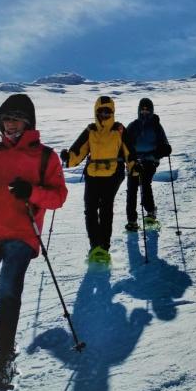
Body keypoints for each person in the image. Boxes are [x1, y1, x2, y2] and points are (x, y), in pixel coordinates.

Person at [0, 93, 67, 389]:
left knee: (7, 294)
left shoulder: (45, 156)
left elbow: (58, 196)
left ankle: (4, 358)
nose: (10, 124)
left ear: (28, 122)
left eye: (16, 118)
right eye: (6, 119)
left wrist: (30, 192)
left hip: (21, 234)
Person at [61, 95, 131, 264]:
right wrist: (69, 158)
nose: (105, 114)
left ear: (113, 112)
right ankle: (95, 246)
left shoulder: (119, 129)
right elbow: (79, 149)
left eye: (108, 111)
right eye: (101, 111)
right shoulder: (90, 130)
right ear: (96, 112)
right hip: (93, 175)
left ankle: (104, 247)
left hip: (113, 175)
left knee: (105, 208)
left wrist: (134, 166)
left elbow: (130, 150)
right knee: (90, 209)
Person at [123, 97, 172, 232]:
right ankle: (131, 220)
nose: (145, 112)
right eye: (142, 109)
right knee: (132, 188)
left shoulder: (156, 126)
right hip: (134, 160)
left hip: (150, 160)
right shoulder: (133, 126)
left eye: (147, 109)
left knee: (145, 182)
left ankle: (150, 213)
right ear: (139, 110)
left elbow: (164, 143)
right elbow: (124, 144)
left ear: (151, 111)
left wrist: (163, 150)